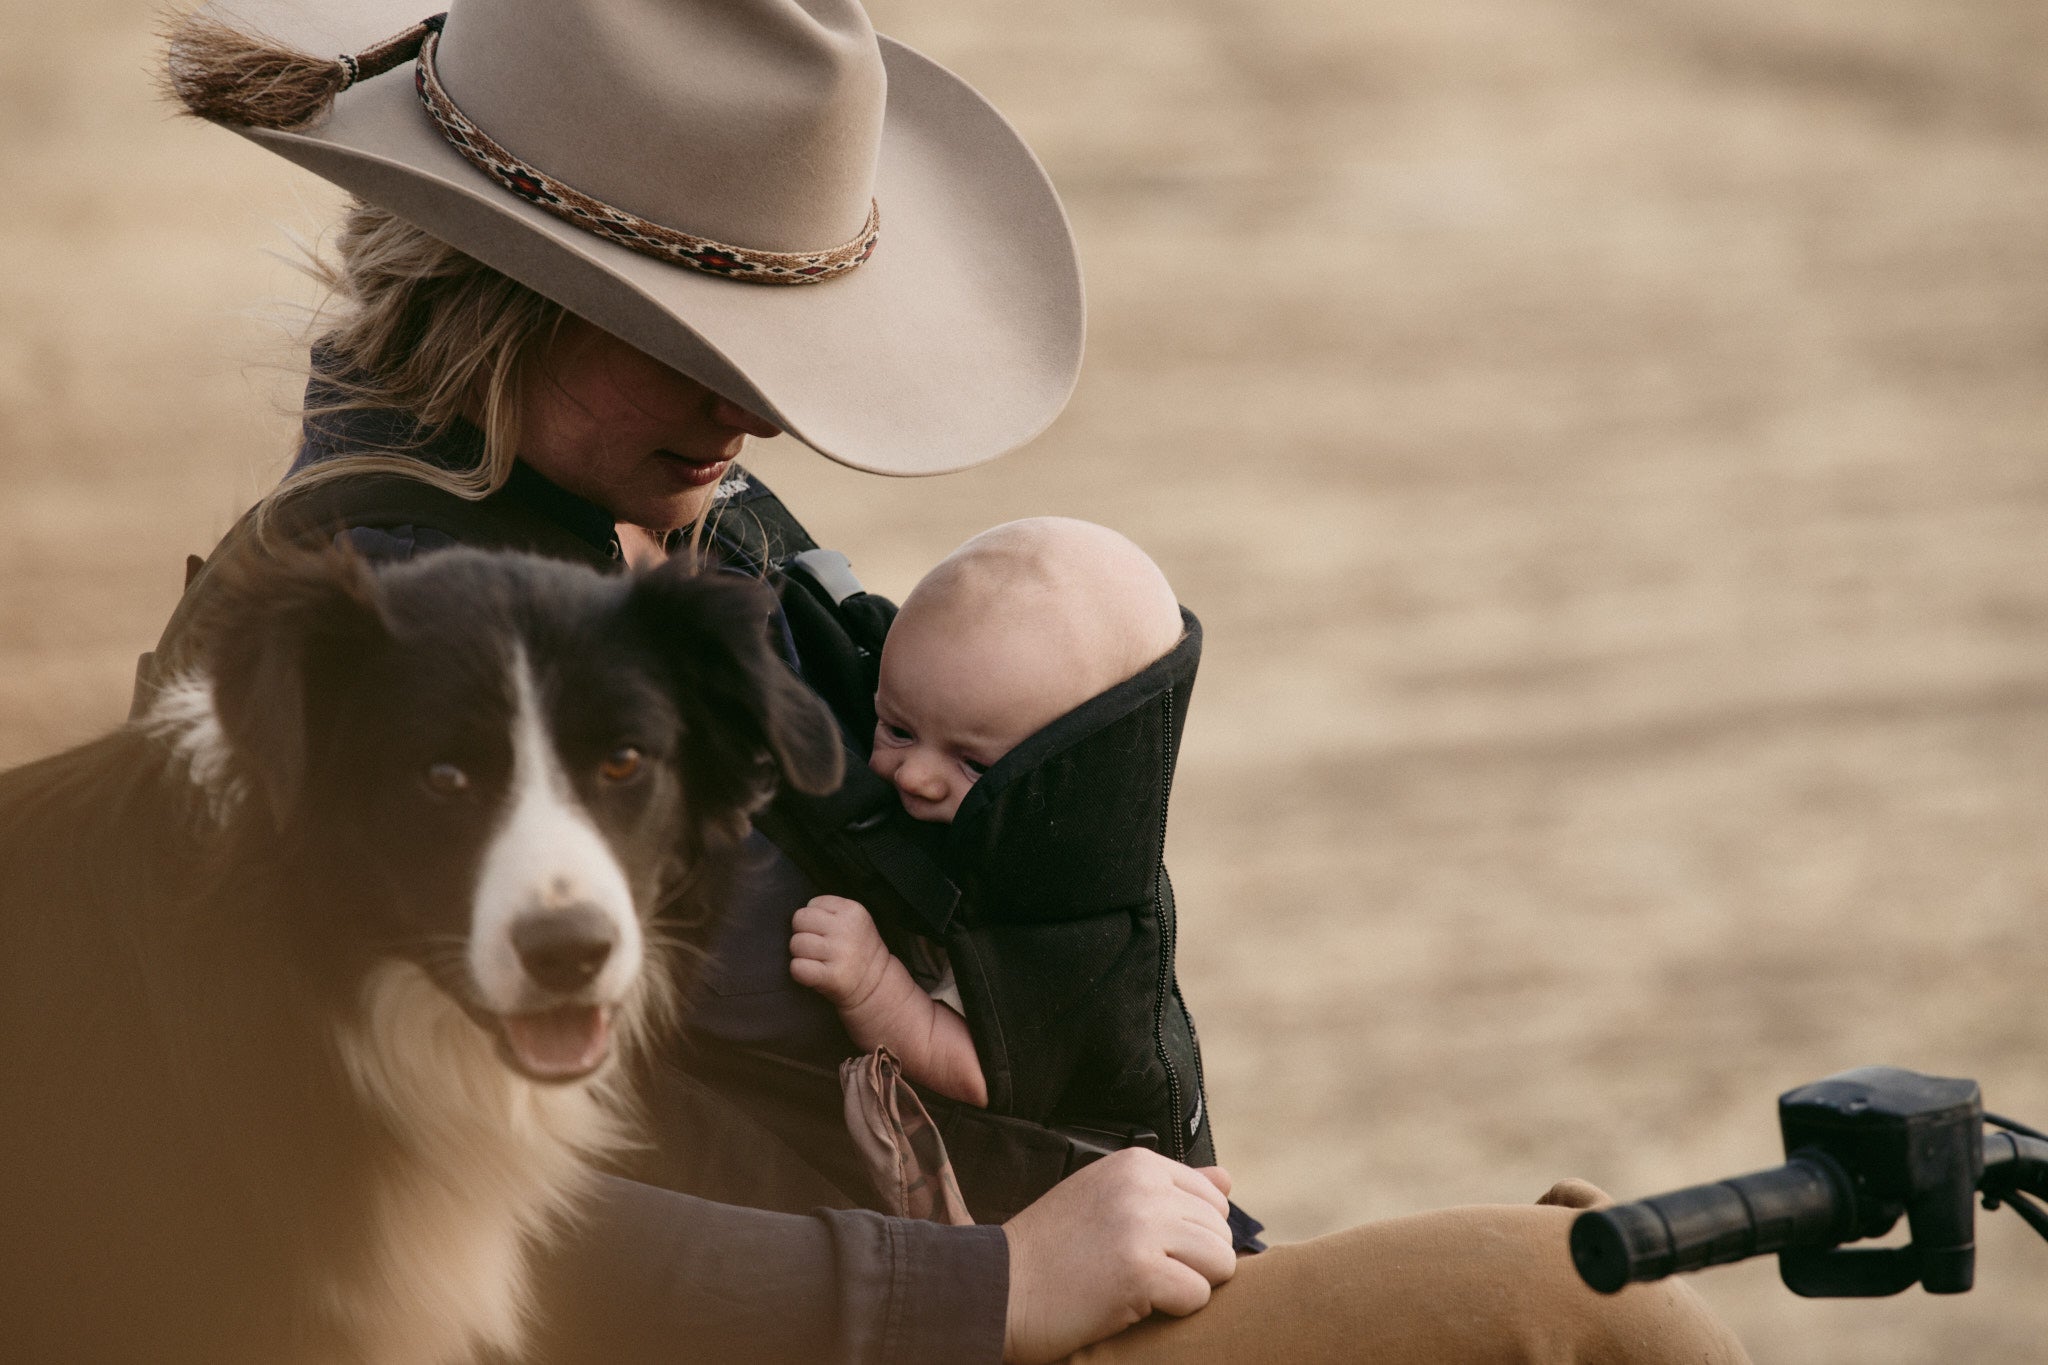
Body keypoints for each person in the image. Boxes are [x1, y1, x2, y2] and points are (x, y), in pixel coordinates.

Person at [152, 1, 1754, 1362]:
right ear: (508, 288)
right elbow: (366, 1182)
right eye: (692, 333)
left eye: (772, 332)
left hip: (986, 1233)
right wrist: (993, 1283)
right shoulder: (414, 646)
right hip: (915, 1302)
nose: (758, 412)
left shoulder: (629, 515)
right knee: (1586, 1311)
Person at [791, 516, 1186, 1109]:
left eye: (974, 766)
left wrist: (873, 983)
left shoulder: (1068, 916)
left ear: (1064, 776)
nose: (916, 777)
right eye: (897, 729)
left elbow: (984, 1075)